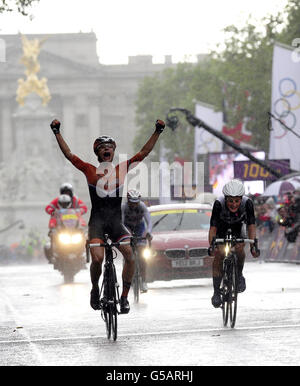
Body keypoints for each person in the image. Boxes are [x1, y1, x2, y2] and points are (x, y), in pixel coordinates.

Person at [49, 118, 165, 313]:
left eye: (109, 146)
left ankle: (125, 297)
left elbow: (144, 153)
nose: (106, 149)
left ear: (113, 151)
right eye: (102, 147)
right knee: (97, 259)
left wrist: (158, 131)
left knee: (130, 255)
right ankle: (95, 289)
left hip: (115, 222)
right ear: (97, 153)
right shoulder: (89, 170)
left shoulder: (122, 169)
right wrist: (57, 132)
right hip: (97, 223)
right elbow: (69, 155)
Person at [208, 179, 260, 308]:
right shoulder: (218, 204)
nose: (233, 204)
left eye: (237, 201)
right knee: (220, 254)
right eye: (230, 201)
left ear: (241, 199)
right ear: (225, 198)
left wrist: (253, 246)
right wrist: (212, 245)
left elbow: (251, 226)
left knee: (239, 249)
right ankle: (216, 292)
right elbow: (213, 229)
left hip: (238, 228)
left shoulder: (247, 203)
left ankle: (239, 275)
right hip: (221, 228)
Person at [121, 190, 153, 292]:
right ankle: (128, 278)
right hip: (127, 227)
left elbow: (149, 222)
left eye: (136, 202)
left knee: (142, 255)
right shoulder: (123, 207)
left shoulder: (142, 206)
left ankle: (143, 281)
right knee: (128, 254)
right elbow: (121, 223)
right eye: (132, 202)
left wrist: (148, 232)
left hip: (139, 227)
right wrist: (127, 234)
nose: (134, 205)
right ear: (128, 200)